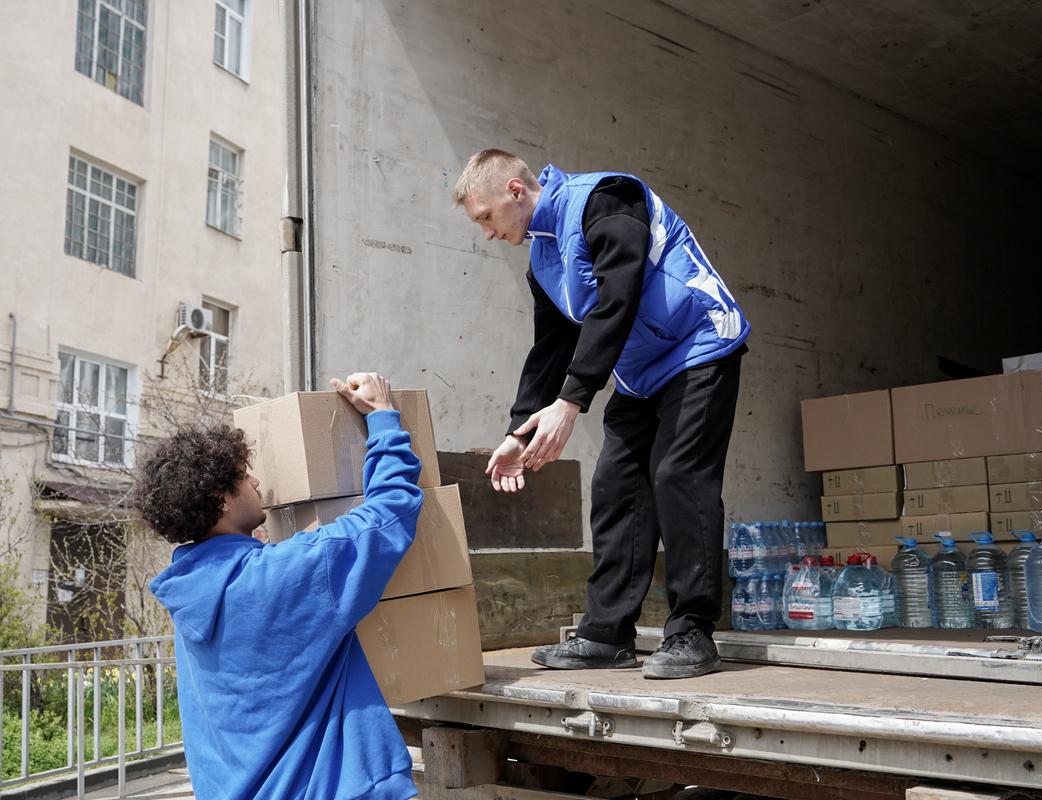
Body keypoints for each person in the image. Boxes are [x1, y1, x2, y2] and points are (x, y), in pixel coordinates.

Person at [453, 150, 750, 679]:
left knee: (678, 476)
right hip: (643, 370)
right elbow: (550, 348)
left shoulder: (607, 200)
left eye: (486, 218)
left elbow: (619, 297)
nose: (488, 233)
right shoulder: (544, 261)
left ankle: (692, 633)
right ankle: (606, 633)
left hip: (700, 342)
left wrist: (573, 402)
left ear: (515, 192)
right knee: (617, 487)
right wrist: (518, 432)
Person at [137, 373, 423, 799]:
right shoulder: (282, 575)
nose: (256, 482)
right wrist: (383, 418)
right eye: (243, 475)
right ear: (221, 498)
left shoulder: (191, 593)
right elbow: (390, 513)